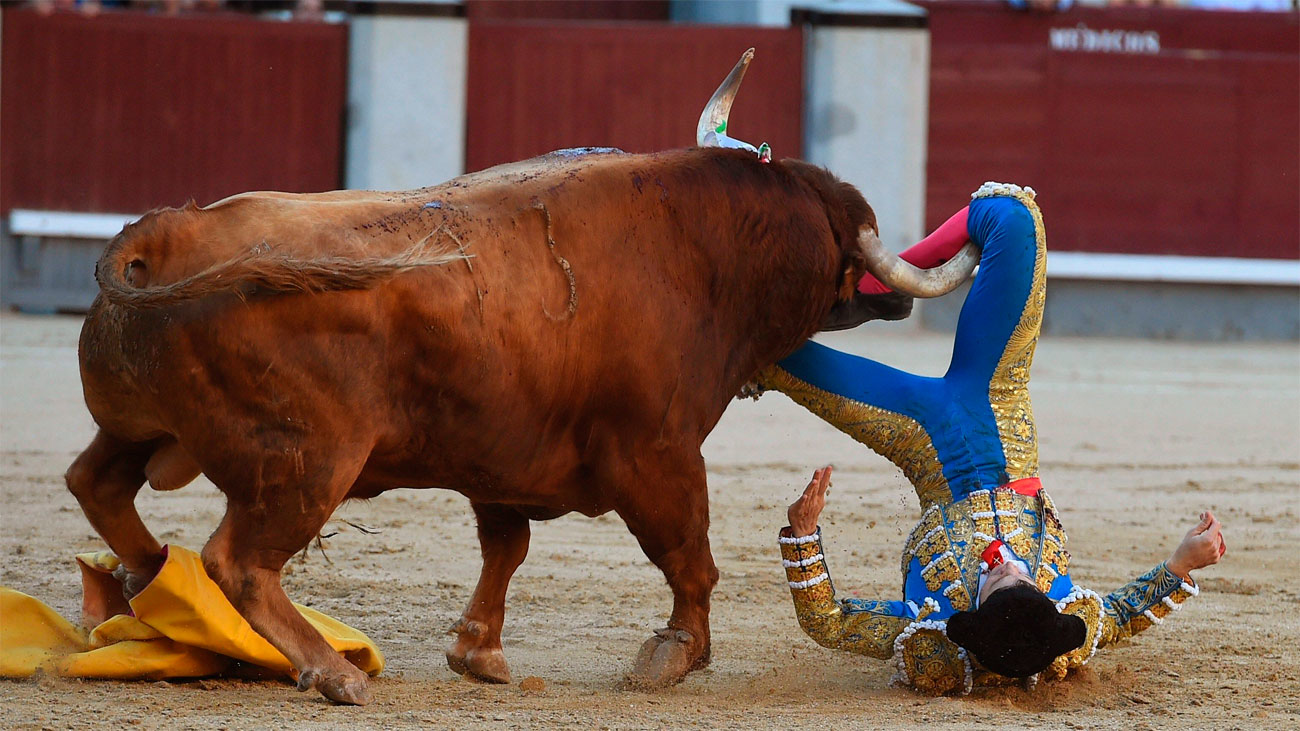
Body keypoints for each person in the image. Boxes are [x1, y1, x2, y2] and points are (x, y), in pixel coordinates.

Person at [755, 182, 1226, 694]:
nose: (1006, 562)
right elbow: (1119, 614)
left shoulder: (936, 637)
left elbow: (830, 622)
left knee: (758, 349)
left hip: (923, 440)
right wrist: (1181, 563)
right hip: (997, 400)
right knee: (1012, 217)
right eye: (1023, 576)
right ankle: (883, 284)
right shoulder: (1065, 630)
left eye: (995, 581)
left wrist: (803, 536)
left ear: (971, 619)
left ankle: (848, 294)